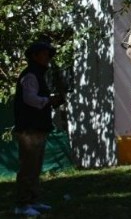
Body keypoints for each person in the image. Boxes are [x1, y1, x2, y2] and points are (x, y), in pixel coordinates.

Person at [13, 41, 64, 217]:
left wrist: (50, 99)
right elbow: (30, 99)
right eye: (44, 53)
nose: (48, 57)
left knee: (35, 167)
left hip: (37, 127)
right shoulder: (30, 75)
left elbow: (36, 97)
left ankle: (33, 200)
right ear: (34, 56)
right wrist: (49, 100)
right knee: (28, 167)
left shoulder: (37, 74)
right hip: (29, 128)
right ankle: (22, 204)